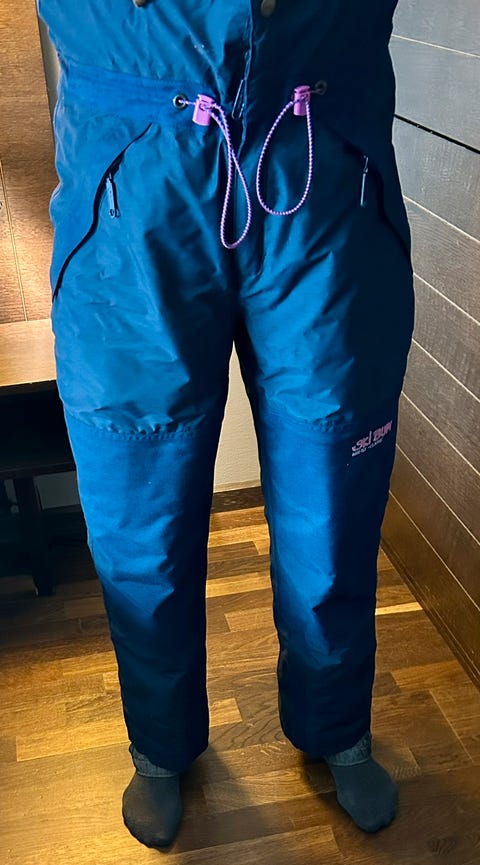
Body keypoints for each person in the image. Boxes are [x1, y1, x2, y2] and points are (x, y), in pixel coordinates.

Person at [37, 0, 414, 849]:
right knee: (137, 505)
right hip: (130, 166)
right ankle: (160, 743)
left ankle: (336, 726)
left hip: (324, 150)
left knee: (333, 495)